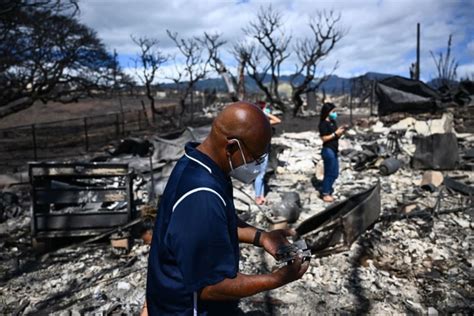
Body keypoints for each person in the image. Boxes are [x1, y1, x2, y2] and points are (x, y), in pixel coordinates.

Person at [144, 101, 309, 315]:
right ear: (231, 147)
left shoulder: (200, 164)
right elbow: (211, 287)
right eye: (256, 157)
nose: (258, 165)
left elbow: (221, 223)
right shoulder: (202, 195)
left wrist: (263, 237)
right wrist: (276, 278)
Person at [318, 102, 348, 203]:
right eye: (333, 111)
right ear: (327, 112)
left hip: (334, 149)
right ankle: (325, 193)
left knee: (334, 173)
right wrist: (335, 134)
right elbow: (324, 138)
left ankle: (328, 189)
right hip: (328, 150)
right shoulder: (323, 124)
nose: (335, 114)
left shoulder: (333, 122)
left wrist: (341, 131)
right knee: (329, 172)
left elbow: (335, 135)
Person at [254, 101, 281, 205]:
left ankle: (261, 196)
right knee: (260, 174)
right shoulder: (261, 123)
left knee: (262, 173)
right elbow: (277, 120)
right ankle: (257, 197)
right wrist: (265, 114)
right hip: (261, 151)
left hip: (264, 149)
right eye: (266, 108)